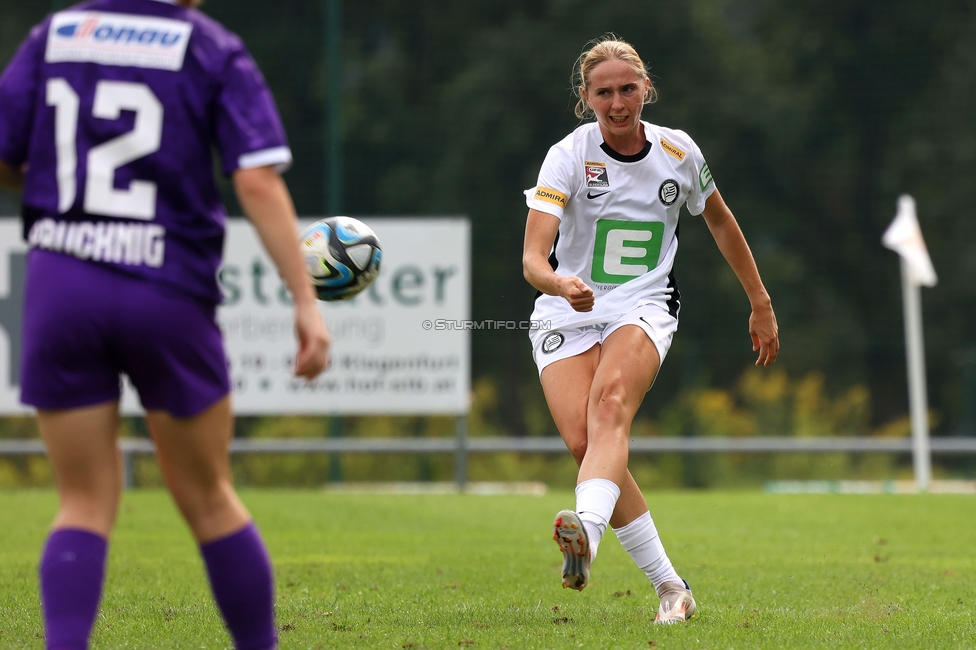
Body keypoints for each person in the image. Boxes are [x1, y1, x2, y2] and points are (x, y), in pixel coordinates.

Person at [0, 1, 331, 648]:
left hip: (62, 283)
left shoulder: (57, 34)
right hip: (166, 288)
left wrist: (47, 188)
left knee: (83, 503)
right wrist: (304, 300)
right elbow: (257, 181)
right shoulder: (211, 48)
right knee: (209, 498)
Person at [522, 35, 779, 624]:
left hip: (645, 303)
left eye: (628, 89)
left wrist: (759, 300)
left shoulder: (678, 152)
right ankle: (672, 588)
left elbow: (720, 220)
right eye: (604, 92)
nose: (617, 103)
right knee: (587, 446)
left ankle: (584, 532)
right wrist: (561, 284)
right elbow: (534, 257)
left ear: (646, 89)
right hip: (569, 308)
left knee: (610, 407)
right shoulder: (567, 156)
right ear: (586, 98)